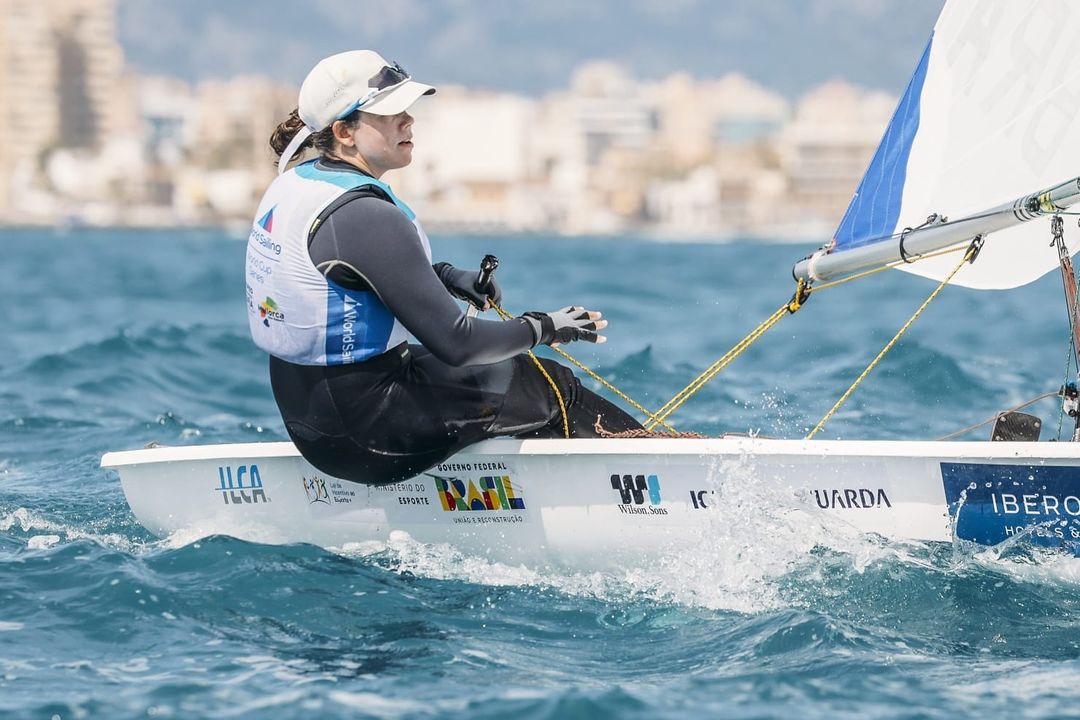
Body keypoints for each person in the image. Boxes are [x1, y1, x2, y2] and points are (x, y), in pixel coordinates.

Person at [246, 50, 643, 486]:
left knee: (505, 385)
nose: (408, 121)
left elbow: (358, 278)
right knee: (548, 383)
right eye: (390, 113)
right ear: (344, 132)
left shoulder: (302, 184)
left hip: (313, 421)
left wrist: (450, 278)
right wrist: (545, 328)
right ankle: (654, 471)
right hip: (369, 436)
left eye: (407, 110)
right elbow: (459, 343)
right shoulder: (366, 216)